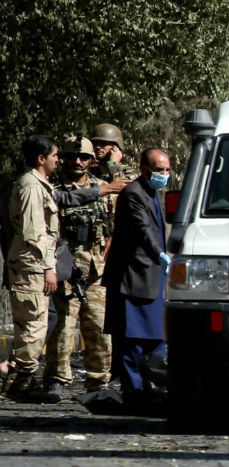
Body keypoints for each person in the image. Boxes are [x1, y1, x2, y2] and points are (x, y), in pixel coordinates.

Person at [42, 136, 114, 400]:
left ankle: (99, 381)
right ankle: (57, 379)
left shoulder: (104, 187)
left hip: (96, 269)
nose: (77, 162)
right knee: (63, 325)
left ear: (91, 160)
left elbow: (113, 225)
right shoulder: (52, 188)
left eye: (83, 157)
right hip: (65, 266)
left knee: (98, 326)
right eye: (72, 157)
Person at [102, 148, 172, 408]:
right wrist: (160, 255)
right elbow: (143, 229)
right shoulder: (134, 194)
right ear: (144, 169)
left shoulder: (154, 193)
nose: (164, 175)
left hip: (153, 278)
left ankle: (153, 390)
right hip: (133, 277)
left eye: (166, 169)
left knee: (155, 337)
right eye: (159, 169)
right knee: (132, 339)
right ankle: (135, 392)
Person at [3, 135, 62, 403]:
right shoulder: (30, 187)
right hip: (31, 265)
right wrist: (49, 267)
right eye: (55, 155)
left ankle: (23, 379)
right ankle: (22, 383)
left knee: (35, 322)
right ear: (41, 158)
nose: (57, 160)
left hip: (32, 264)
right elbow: (33, 232)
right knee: (32, 325)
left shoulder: (39, 185)